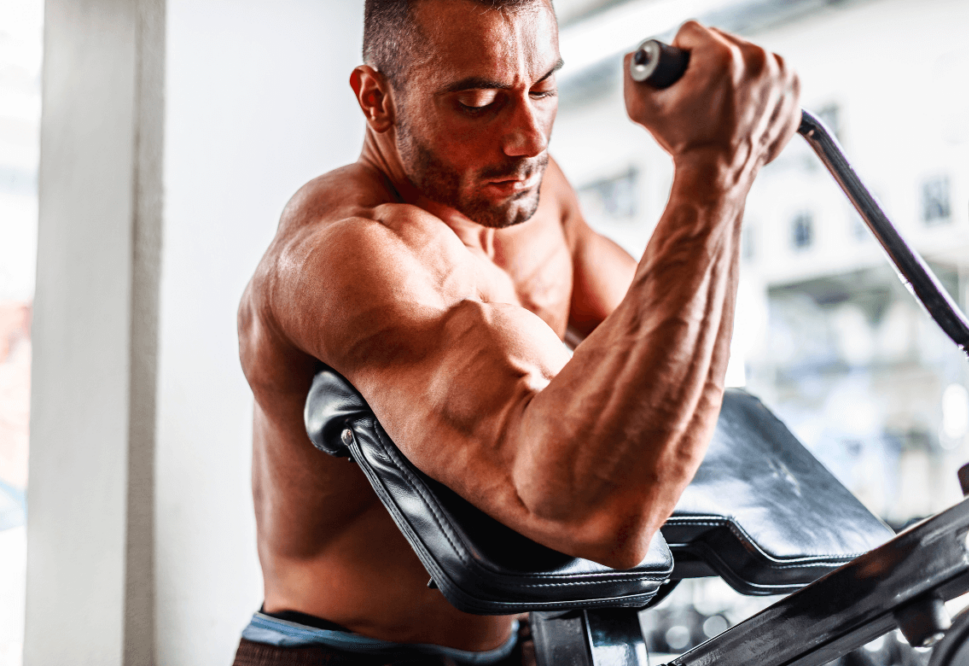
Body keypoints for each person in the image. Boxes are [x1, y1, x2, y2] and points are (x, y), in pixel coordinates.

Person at [234, 0, 800, 663]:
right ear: (376, 99)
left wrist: (729, 160)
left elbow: (672, 360)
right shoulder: (348, 258)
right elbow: (594, 511)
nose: (527, 139)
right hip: (349, 653)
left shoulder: (533, 199)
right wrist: (712, 170)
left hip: (523, 641)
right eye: (477, 101)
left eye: (544, 88)